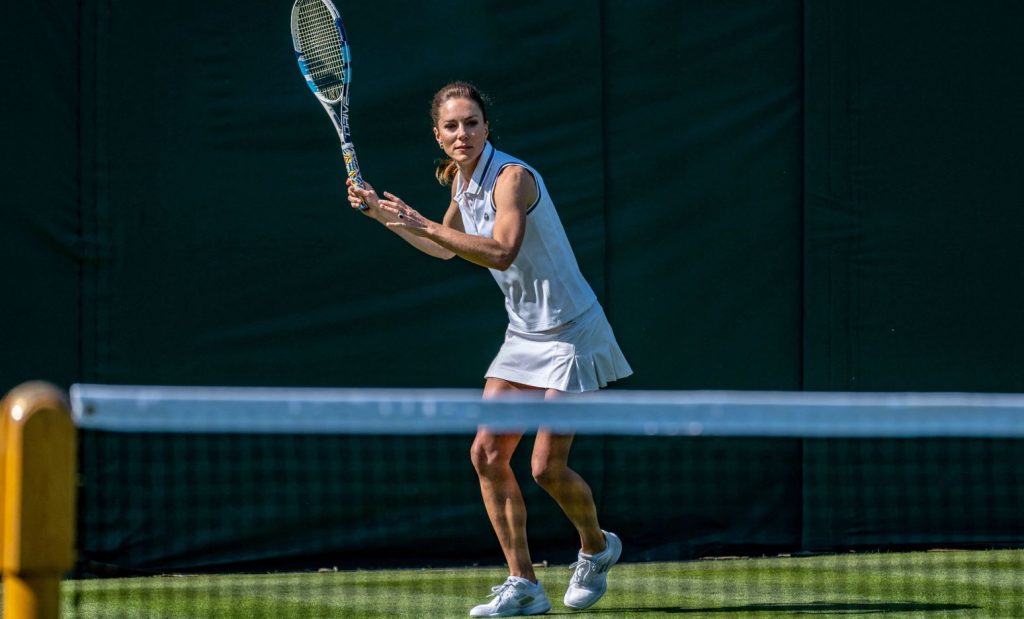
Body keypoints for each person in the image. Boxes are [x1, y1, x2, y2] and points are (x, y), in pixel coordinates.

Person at [347, 81, 632, 617]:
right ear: (439, 134)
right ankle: (523, 584)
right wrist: (379, 215)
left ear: (486, 127)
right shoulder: (460, 180)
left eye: (472, 123)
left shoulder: (512, 178)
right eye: (452, 126)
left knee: (547, 468)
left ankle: (596, 546)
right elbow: (442, 249)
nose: (462, 134)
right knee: (486, 454)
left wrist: (421, 220)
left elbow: (501, 252)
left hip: (571, 331)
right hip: (523, 334)